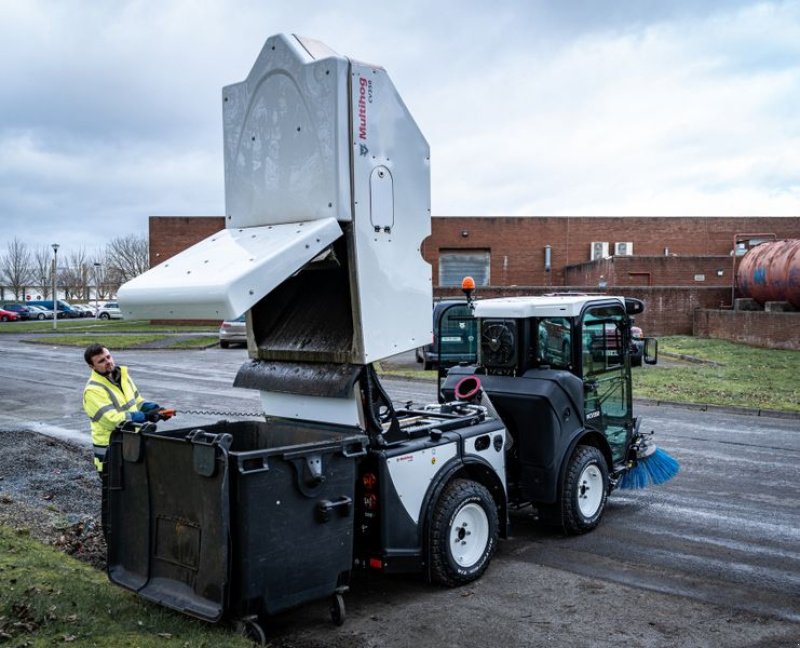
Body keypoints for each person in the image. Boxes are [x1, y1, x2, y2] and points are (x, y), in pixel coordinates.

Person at [82, 343, 164, 537]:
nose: (108, 362)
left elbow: (137, 402)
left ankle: (130, 538)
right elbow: (113, 420)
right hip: (110, 454)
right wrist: (143, 417)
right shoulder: (93, 390)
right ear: (92, 367)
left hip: (129, 447)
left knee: (131, 499)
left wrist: (154, 409)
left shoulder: (123, 376)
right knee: (114, 503)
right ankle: (113, 541)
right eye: (101, 361)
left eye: (108, 357)